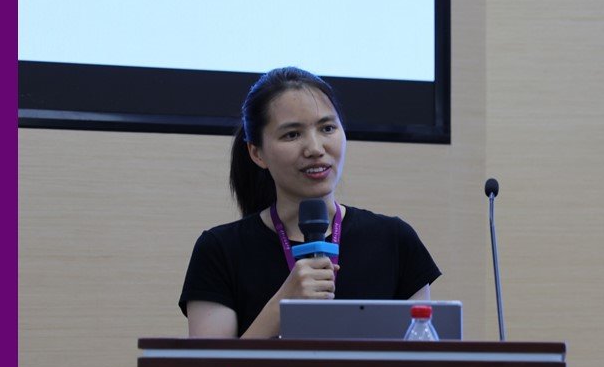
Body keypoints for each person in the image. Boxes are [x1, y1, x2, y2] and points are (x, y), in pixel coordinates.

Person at [179, 67, 440, 338]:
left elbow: (424, 356)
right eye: (292, 134)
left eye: (327, 128)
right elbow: (212, 366)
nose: (315, 149)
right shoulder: (219, 251)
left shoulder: (395, 241)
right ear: (257, 153)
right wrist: (282, 305)